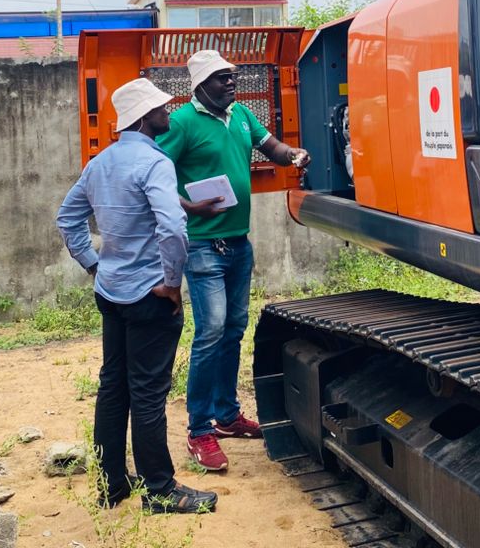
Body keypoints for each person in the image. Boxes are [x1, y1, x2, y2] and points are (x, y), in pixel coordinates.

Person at [57, 77, 217, 514]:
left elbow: (67, 218)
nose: (169, 112)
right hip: (150, 296)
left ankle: (112, 484)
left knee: (114, 388)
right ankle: (160, 491)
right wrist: (170, 281)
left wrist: (94, 264)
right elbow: (173, 227)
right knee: (147, 394)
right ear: (145, 117)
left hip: (112, 293)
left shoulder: (101, 163)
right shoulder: (155, 162)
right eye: (162, 108)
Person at [157, 50, 309, 471]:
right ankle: (199, 430)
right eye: (223, 78)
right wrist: (189, 207)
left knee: (233, 330)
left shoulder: (241, 114)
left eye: (233, 76)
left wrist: (291, 154)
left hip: (238, 244)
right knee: (211, 332)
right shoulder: (183, 122)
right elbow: (155, 173)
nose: (231, 83)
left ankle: (226, 416)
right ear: (201, 85)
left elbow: (269, 145)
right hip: (204, 246)